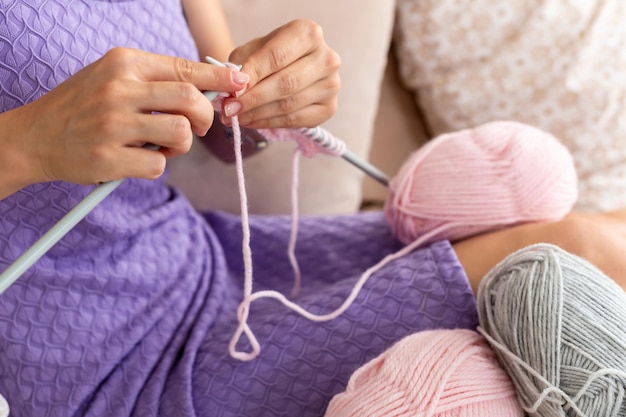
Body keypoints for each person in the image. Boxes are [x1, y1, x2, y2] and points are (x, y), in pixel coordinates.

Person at [0, 1, 624, 417]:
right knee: (569, 258)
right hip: (110, 379)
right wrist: (29, 141)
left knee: (568, 238)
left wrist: (274, 96)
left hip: (220, 268)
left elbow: (224, 134)